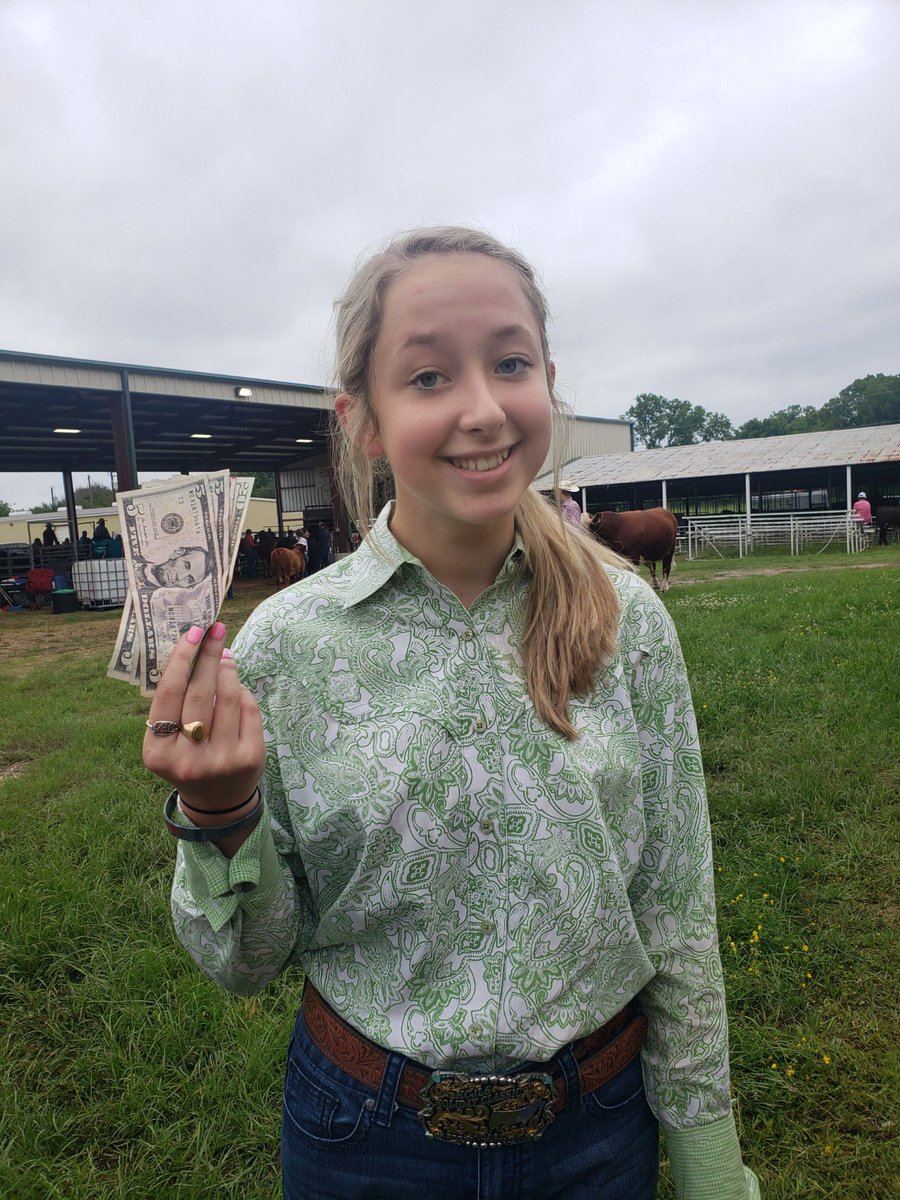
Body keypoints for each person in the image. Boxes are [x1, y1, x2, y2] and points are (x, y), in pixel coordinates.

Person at [142, 227, 759, 1200]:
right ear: (364, 421)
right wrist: (221, 816)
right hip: (364, 1143)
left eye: (510, 364)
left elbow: (676, 913)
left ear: (547, 380)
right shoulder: (281, 649)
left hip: (596, 1138)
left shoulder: (624, 617)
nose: (482, 409)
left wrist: (715, 1165)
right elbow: (247, 963)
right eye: (428, 378)